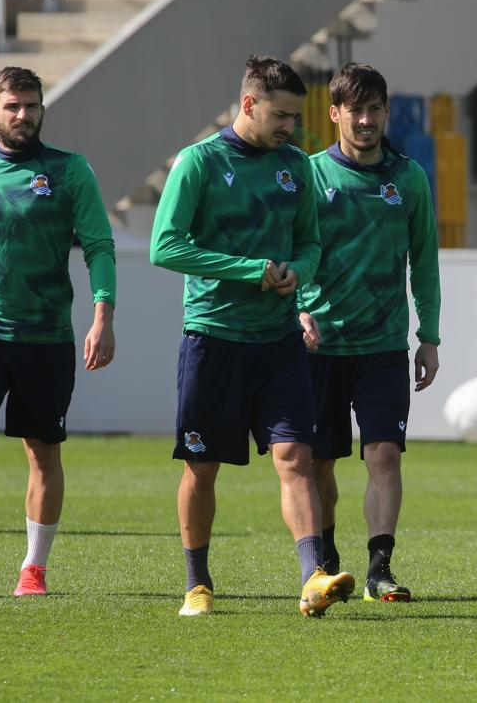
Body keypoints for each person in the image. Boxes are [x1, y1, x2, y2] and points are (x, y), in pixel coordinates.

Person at [150, 55, 355, 617]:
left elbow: (311, 243)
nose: (291, 128)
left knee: (295, 455)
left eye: (296, 116)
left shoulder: (296, 166)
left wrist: (300, 271)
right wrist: (251, 269)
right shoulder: (198, 162)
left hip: (279, 341)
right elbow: (164, 246)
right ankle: (197, 583)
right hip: (213, 339)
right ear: (248, 104)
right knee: (203, 467)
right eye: (282, 115)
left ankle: (313, 576)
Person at [0, 66, 116, 598]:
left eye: (31, 105)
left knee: (42, 449)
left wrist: (104, 314)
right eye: (12, 106)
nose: (23, 115)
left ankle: (34, 568)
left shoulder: (69, 170)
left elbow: (99, 246)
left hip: (46, 335)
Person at [297, 63, 441, 603]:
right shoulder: (309, 175)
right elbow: (287, 256)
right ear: (334, 113)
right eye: (354, 110)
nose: (364, 119)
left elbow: (425, 262)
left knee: (384, 454)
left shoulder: (408, 178)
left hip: (383, 347)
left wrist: (429, 335)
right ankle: (327, 560)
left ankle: (380, 567)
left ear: (384, 111)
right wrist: (295, 312)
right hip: (320, 346)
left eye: (374, 109)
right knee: (319, 462)